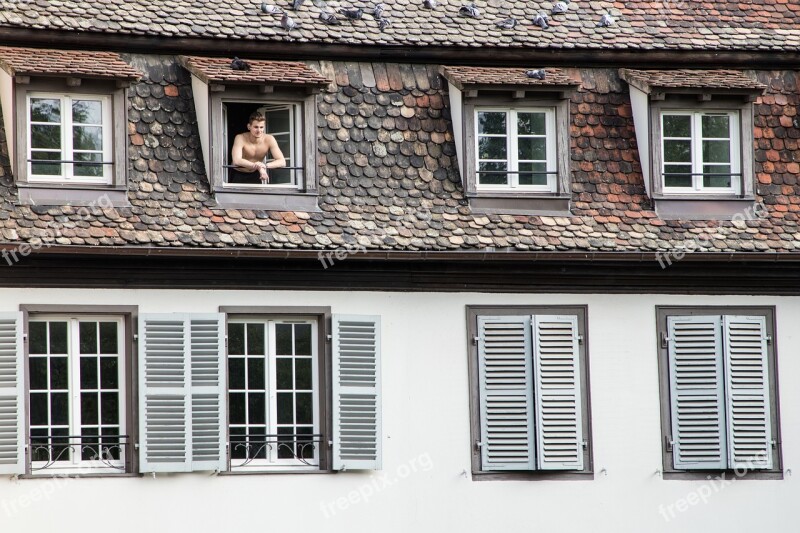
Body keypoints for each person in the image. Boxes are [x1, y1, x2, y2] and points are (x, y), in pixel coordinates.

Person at [229, 111, 286, 184]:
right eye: (256, 127)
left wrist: (264, 166)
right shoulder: (240, 138)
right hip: (238, 173)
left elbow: (282, 161)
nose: (259, 130)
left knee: (257, 195)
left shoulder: (269, 139)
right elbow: (236, 160)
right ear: (249, 126)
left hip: (255, 174)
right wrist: (259, 167)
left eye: (261, 127)